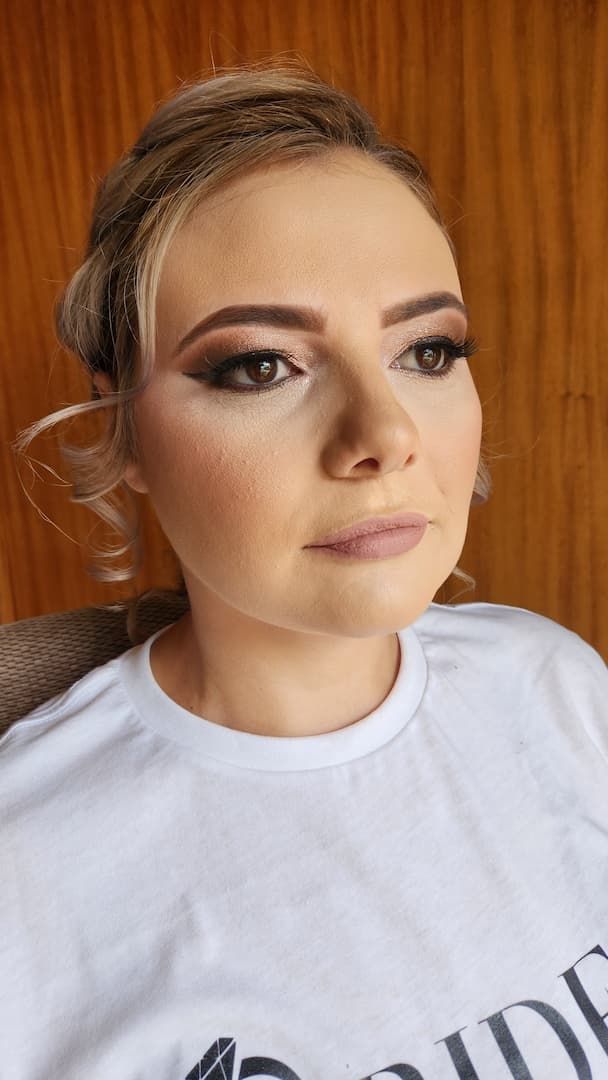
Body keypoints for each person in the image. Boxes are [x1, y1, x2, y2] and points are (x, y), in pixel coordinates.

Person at [2, 63, 607, 1080]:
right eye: (260, 365)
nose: (385, 435)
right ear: (122, 425)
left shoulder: (556, 686)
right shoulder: (24, 879)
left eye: (427, 351)